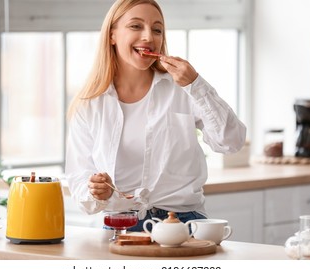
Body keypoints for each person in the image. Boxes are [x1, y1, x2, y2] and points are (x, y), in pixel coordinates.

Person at [65, 0, 246, 231]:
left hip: (184, 224)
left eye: (157, 29)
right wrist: (96, 192)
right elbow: (80, 181)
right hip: (120, 226)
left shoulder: (183, 88)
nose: (149, 37)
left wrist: (196, 85)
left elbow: (231, 142)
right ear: (112, 35)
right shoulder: (89, 104)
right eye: (136, 26)